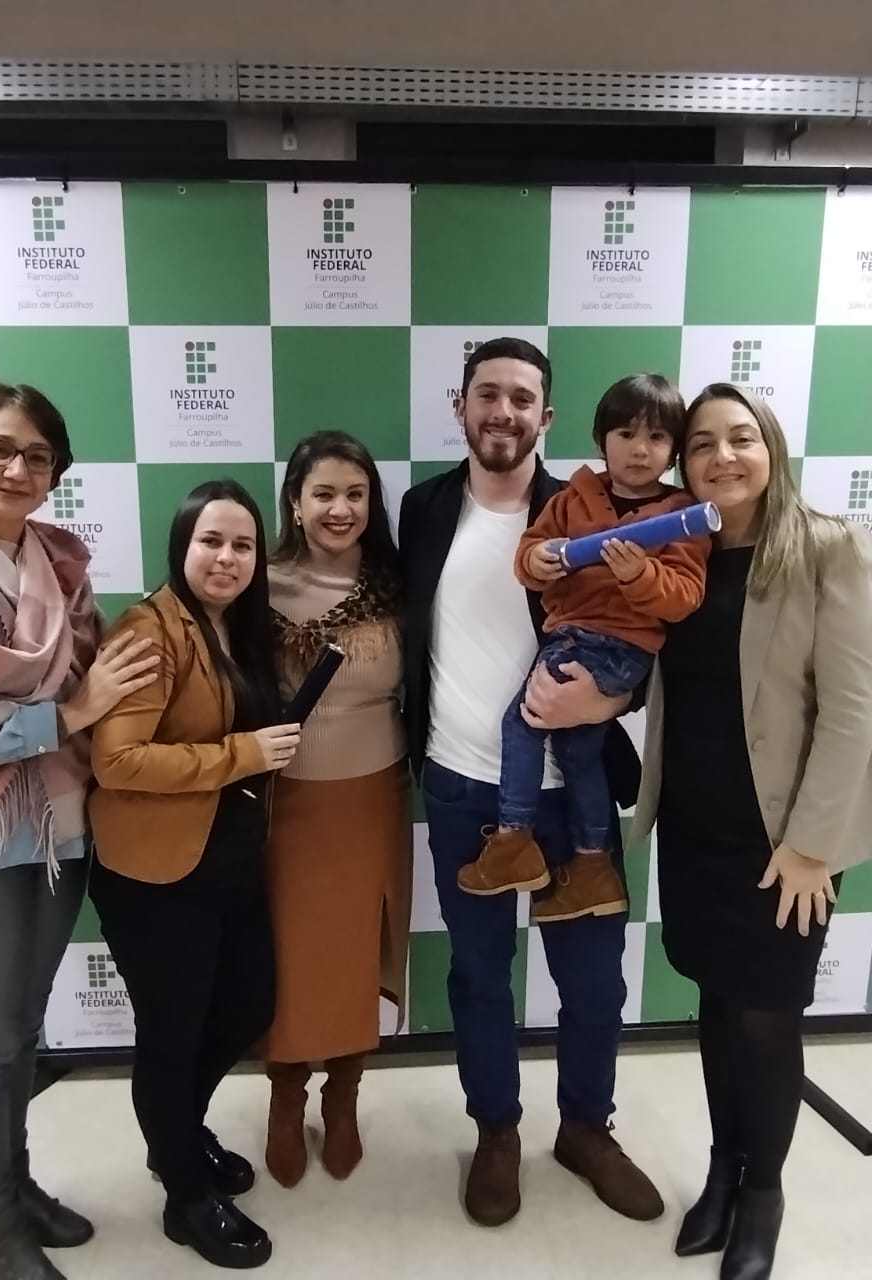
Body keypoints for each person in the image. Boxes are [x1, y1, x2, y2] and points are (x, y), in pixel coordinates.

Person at [399, 337, 663, 1229]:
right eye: (487, 394)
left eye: (521, 398)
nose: (503, 411)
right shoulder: (423, 509)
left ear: (546, 417)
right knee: (479, 976)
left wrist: (615, 694)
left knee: (593, 985)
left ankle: (586, 1129)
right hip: (460, 787)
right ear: (461, 406)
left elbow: (652, 628)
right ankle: (497, 1132)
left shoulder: (586, 508)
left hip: (572, 790)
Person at [0, 384, 158, 1280]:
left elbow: (94, 679)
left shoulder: (59, 564)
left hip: (56, 822)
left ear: (56, 474)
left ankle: (14, 1187)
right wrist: (60, 716)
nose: (17, 469)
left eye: (38, 456)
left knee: (20, 1028)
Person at [629, 383, 872, 1280]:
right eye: (701, 444)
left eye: (741, 438)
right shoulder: (680, 549)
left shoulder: (830, 547)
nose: (721, 457)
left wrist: (812, 847)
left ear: (771, 447)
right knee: (719, 1005)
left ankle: (763, 1195)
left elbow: (854, 712)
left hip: (784, 846)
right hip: (695, 828)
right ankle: (723, 1172)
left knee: (766, 1019)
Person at [89, 479, 301, 1271]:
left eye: (243, 544)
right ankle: (184, 1194)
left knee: (246, 1006)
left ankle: (175, 1132)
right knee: (172, 1038)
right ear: (182, 544)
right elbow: (116, 761)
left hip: (229, 863)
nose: (227, 557)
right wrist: (241, 755)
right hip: (156, 876)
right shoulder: (149, 631)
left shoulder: (237, 628)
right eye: (212, 540)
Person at [458, 374, 708, 924]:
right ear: (601, 439)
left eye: (657, 437)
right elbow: (529, 552)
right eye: (626, 434)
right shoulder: (573, 497)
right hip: (570, 635)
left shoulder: (682, 515)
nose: (640, 449)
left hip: (618, 647)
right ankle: (594, 866)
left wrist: (640, 576)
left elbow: (684, 598)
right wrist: (538, 561)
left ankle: (513, 838)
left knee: (522, 722)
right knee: (577, 750)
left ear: (675, 449)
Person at [262, 430, 410, 1189]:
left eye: (356, 494)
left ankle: (344, 1094)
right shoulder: (253, 581)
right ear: (294, 501)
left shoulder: (399, 582)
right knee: (287, 957)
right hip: (283, 803)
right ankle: (286, 1095)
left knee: (358, 951)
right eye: (323, 493)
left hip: (373, 795)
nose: (340, 508)